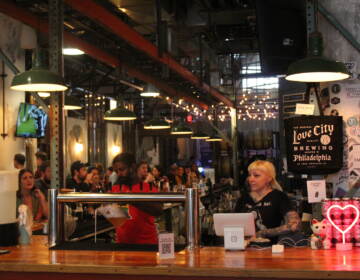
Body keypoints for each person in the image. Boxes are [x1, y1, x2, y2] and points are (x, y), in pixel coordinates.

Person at [234, 160, 300, 243]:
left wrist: (263, 233)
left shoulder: (278, 196)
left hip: (268, 250)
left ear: (269, 178)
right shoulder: (244, 198)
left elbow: (294, 224)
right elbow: (233, 224)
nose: (251, 179)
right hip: (242, 247)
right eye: (250, 175)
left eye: (256, 176)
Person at [111, 153, 162, 244]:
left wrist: (133, 200)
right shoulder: (116, 188)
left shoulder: (148, 187)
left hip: (146, 244)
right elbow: (116, 219)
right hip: (121, 245)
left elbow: (158, 210)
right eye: (116, 171)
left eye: (122, 169)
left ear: (132, 167)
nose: (119, 174)